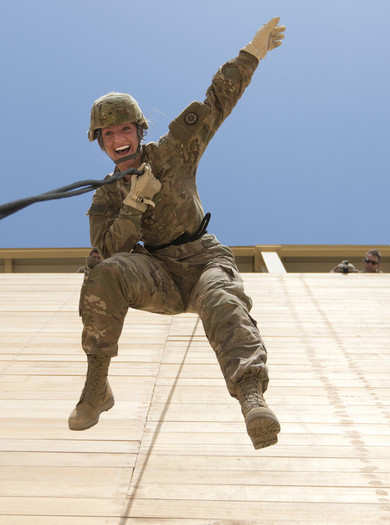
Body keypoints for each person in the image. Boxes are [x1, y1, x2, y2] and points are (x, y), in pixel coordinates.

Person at [71, 18, 286, 450]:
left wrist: (252, 53)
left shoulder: (171, 154)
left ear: (139, 130)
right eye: (108, 134)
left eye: (125, 129)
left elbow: (216, 102)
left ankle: (251, 397)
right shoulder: (105, 198)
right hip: (160, 275)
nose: (118, 140)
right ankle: (98, 385)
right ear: (100, 142)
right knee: (100, 272)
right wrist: (132, 206)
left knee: (223, 300)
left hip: (204, 259)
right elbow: (108, 252)